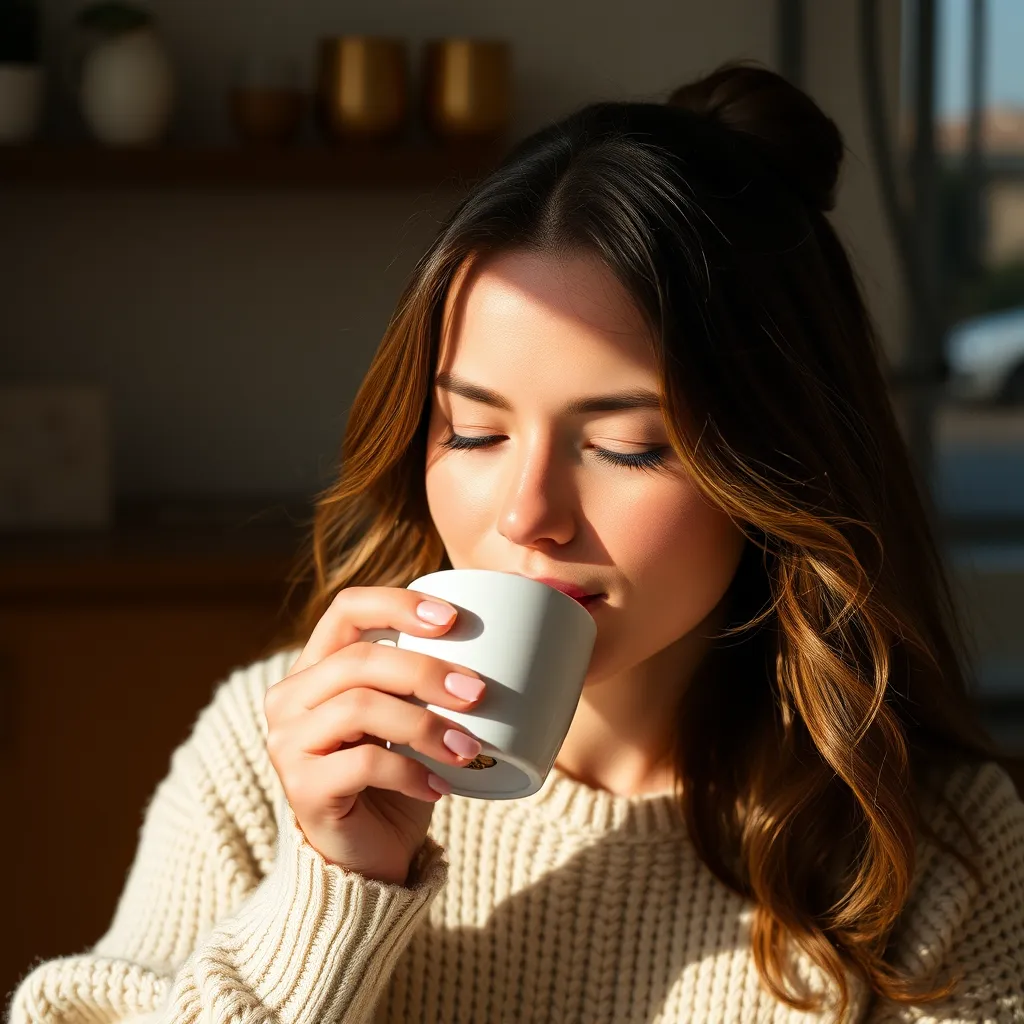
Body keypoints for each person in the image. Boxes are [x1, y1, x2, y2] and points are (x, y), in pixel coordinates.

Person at [8, 61, 1024, 1024]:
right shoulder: (276, 753)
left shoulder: (934, 851)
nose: (525, 511)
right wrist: (329, 894)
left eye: (626, 446)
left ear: (780, 464)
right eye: (476, 432)